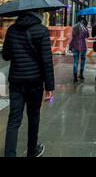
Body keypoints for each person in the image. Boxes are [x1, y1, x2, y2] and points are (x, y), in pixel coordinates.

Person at [2, 9, 55, 157]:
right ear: (37, 14)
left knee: (14, 120)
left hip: (16, 82)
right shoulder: (42, 30)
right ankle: (32, 152)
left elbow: (5, 56)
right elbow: (46, 61)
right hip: (35, 83)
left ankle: (9, 154)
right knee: (33, 118)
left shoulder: (12, 29)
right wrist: (49, 87)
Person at [69, 17, 89, 83]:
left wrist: (70, 46)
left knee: (75, 62)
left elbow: (72, 37)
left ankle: (75, 77)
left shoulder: (74, 27)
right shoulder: (85, 28)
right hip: (83, 47)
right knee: (83, 60)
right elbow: (87, 36)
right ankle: (81, 74)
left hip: (75, 46)